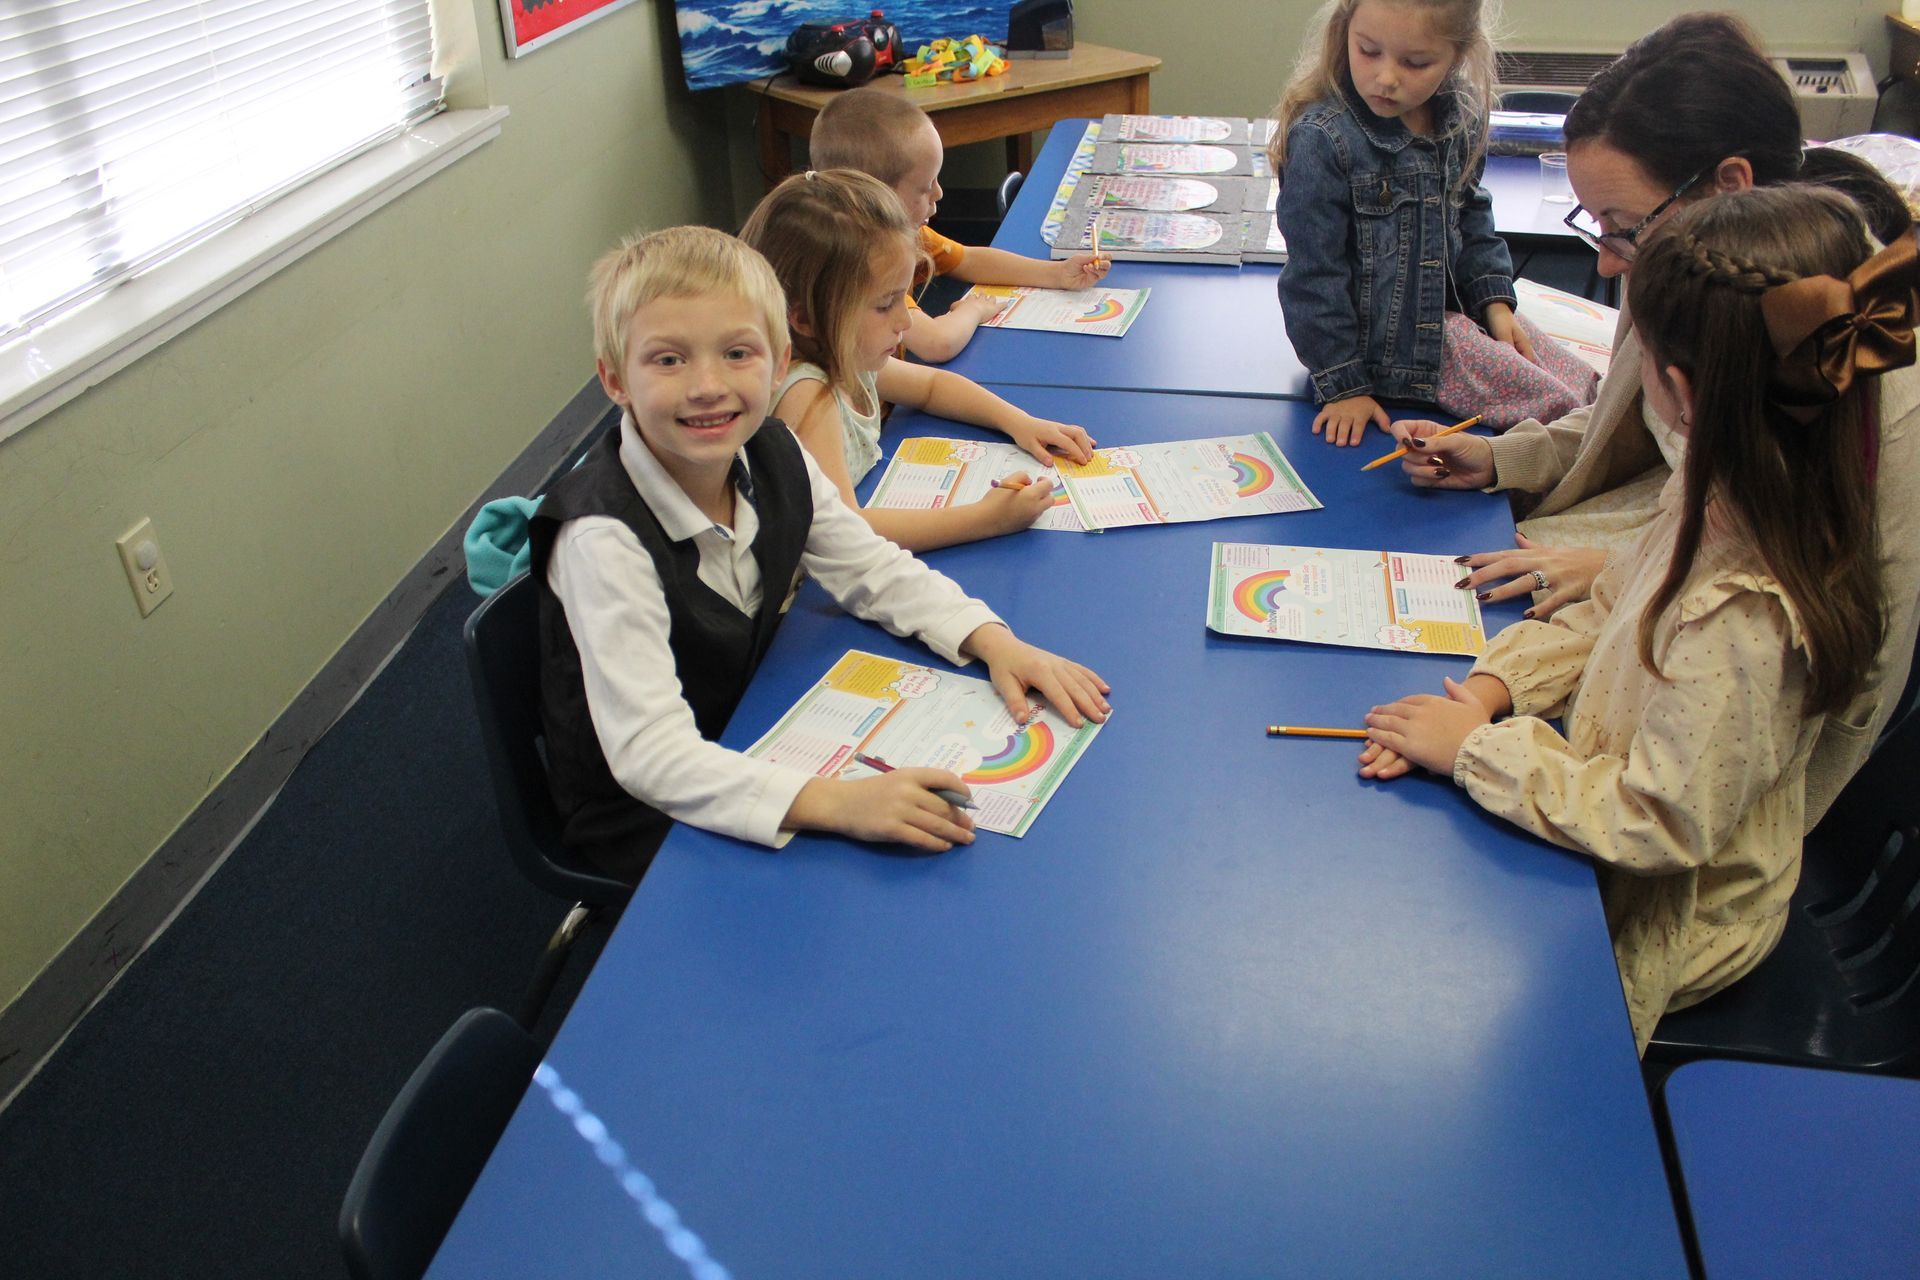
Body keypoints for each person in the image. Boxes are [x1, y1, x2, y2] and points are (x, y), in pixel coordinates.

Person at [1358, 186, 1914, 1051]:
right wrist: (1492, 691)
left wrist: (1475, 752)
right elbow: (1608, 611)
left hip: (1668, 917)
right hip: (1597, 807)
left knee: (1406, 987)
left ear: (1679, 389)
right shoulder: (1724, 489)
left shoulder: (1745, 614)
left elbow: (1660, 824)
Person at [1390, 11, 1920, 823]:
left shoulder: (1851, 367)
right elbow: (1621, 424)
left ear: (1728, 186)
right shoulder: (1706, 281)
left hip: (1698, 770)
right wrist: (1505, 461)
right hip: (1644, 644)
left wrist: (1622, 571)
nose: (1606, 262)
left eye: (1618, 228)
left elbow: (1841, 650)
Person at [532, 225, 1110, 879]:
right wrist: (838, 802)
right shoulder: (603, 539)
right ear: (614, 379)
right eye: (668, 360)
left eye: (738, 353)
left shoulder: (773, 451)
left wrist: (993, 641)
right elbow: (650, 755)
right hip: (650, 814)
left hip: (754, 720)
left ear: (779, 363)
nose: (707, 385)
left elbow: (869, 566)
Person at [1270, 0, 1596, 445]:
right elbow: (1313, 275)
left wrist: (1495, 304)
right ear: (1345, 30)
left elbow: (1472, 214)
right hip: (1396, 355)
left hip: (1455, 316)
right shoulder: (1321, 137)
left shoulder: (1459, 115)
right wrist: (1343, 386)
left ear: (1458, 55)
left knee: (1588, 387)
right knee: (1563, 414)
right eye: (1367, 51)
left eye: (1416, 62)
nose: (1386, 77)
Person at [741, 168, 1095, 551]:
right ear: (806, 319)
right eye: (884, 304)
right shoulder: (807, 392)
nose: (905, 320)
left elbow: (930, 386)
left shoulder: (844, 355)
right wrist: (986, 519)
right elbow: (844, 532)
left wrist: (1021, 422)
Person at [809, 88, 1109, 362]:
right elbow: (937, 343)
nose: (939, 193)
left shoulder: (903, 235)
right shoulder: (864, 262)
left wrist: (1057, 273)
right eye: (925, 186)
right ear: (875, 195)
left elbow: (967, 259)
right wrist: (973, 310)